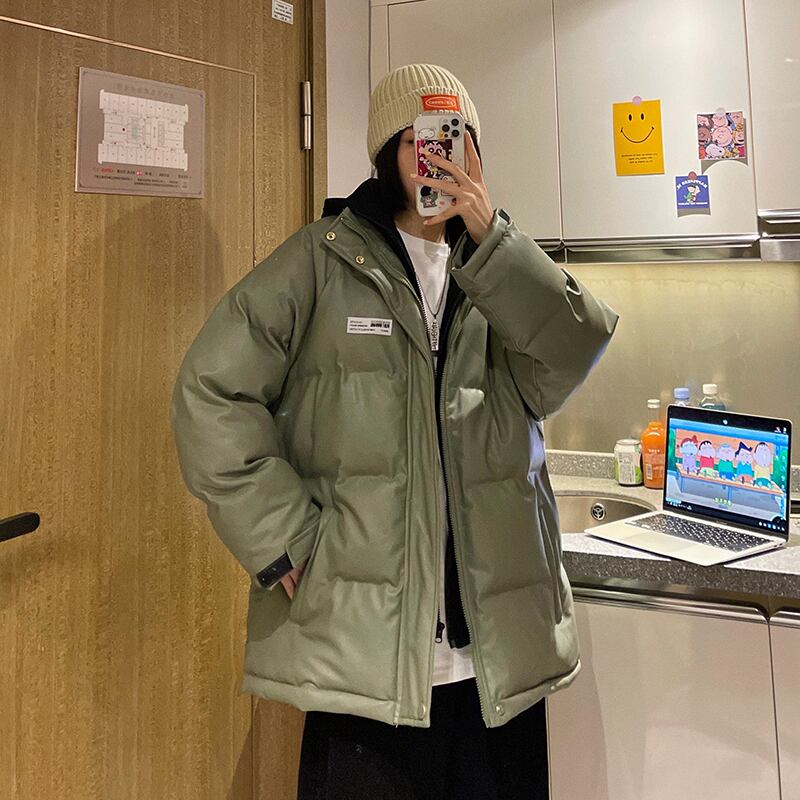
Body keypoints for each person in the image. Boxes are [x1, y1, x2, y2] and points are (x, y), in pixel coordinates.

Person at [171, 64, 618, 799]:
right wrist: (282, 537)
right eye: (418, 138)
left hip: (498, 665)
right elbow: (210, 391)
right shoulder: (320, 259)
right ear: (386, 152)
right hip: (365, 667)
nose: (436, 155)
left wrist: (494, 239)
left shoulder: (502, 269)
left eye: (454, 137)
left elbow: (572, 354)